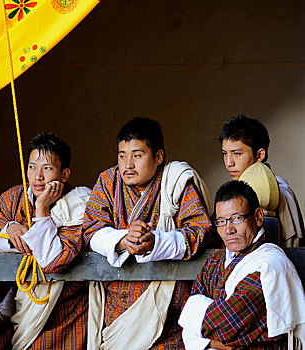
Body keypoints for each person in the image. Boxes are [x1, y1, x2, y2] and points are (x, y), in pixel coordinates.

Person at [82, 117, 212, 349]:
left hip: (169, 306)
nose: (128, 164)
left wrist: (156, 241)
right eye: (122, 155)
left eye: (137, 155)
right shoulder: (107, 181)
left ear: (158, 157)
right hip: (120, 305)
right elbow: (91, 229)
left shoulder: (176, 180)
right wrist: (123, 240)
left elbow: (199, 230)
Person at [0, 132, 91, 350]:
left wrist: (42, 209)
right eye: (32, 167)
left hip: (68, 312)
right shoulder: (13, 198)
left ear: (64, 174)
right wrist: (10, 228)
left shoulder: (78, 204)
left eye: (47, 168)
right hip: (20, 307)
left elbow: (54, 261)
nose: (37, 176)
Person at [179, 180, 305, 349]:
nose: (229, 230)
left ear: (258, 217)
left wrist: (198, 327)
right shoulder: (214, 262)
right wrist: (213, 341)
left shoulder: (269, 265)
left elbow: (225, 326)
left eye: (237, 218)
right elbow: (187, 321)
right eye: (221, 221)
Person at [219, 115, 304, 247]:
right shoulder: (233, 192)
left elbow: (292, 247)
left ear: (259, 155)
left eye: (237, 154)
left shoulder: (279, 190)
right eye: (225, 154)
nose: (229, 163)